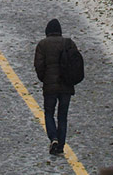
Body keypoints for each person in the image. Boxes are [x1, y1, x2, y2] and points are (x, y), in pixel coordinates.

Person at [33, 18, 84, 156]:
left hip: (50, 87)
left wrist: (44, 79)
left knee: (49, 113)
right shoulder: (68, 43)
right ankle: (61, 145)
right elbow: (76, 62)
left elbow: (39, 66)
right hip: (66, 85)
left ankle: (53, 138)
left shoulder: (42, 45)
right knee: (63, 116)